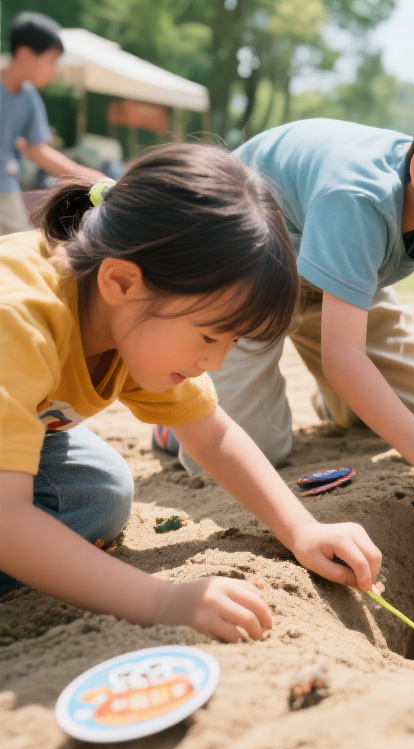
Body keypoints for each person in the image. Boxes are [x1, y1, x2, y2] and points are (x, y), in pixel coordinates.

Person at [0, 144, 382, 642]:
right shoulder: (18, 322)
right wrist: (161, 600)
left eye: (231, 341)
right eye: (208, 336)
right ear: (122, 282)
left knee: (99, 493)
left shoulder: (131, 315)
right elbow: (8, 519)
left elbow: (213, 436)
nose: (215, 362)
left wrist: (301, 529)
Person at [155, 80, 414, 507]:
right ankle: (173, 418)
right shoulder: (358, 197)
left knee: (406, 414)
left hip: (333, 278)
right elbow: (343, 357)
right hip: (247, 269)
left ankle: (339, 400)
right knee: (246, 452)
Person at [0, 12, 103, 235]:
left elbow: (39, 152)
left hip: (5, 188)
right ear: (25, 55)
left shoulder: (29, 98)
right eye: (51, 61)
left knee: (20, 242)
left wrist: (94, 178)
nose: (55, 70)